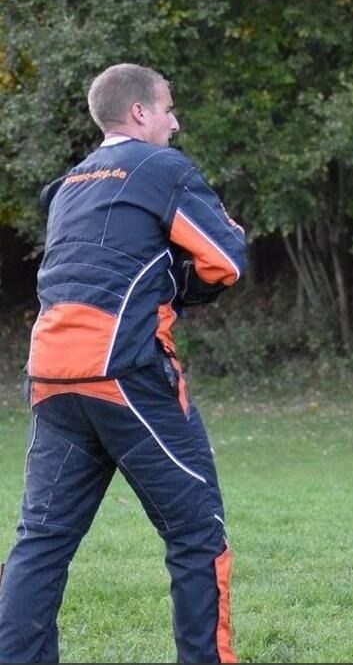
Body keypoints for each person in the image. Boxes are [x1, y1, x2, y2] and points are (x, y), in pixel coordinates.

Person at [0, 63, 246, 662]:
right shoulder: (162, 168)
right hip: (126, 374)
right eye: (168, 109)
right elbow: (224, 260)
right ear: (139, 113)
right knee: (197, 535)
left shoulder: (68, 185)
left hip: (51, 376)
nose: (175, 121)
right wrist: (180, 283)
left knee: (42, 541)